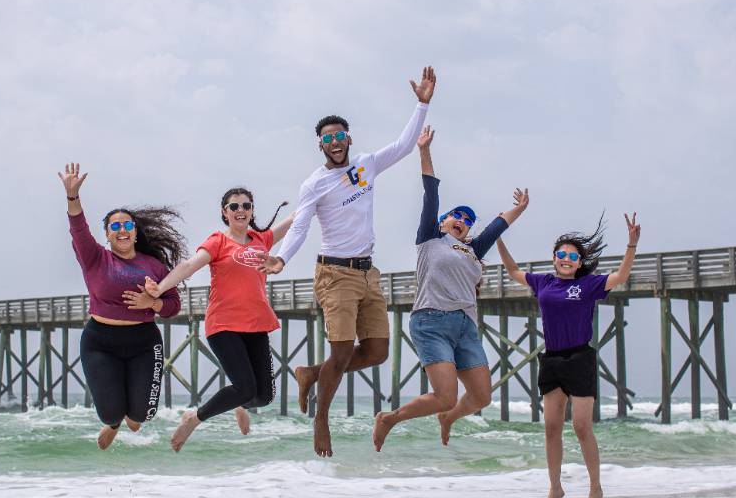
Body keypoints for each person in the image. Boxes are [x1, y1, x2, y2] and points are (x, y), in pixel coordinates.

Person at [259, 66, 436, 457]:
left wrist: (422, 104)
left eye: (340, 136)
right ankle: (321, 421)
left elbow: (405, 146)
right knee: (340, 356)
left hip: (368, 272)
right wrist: (282, 258)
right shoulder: (314, 184)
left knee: (377, 352)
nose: (335, 142)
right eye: (327, 139)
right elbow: (302, 226)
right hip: (334, 274)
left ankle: (309, 374)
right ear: (320, 145)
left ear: (348, 138)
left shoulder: (367, 164)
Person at [372, 126, 529, 451]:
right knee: (445, 395)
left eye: (468, 219)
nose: (463, 220)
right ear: (443, 222)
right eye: (456, 216)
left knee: (482, 395)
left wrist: (520, 209)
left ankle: (449, 419)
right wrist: (424, 150)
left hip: (465, 327)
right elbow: (431, 194)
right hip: (431, 322)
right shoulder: (430, 238)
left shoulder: (473, 250)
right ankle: (390, 418)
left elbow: (498, 224)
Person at [123, 188, 293, 451]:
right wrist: (161, 287)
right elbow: (190, 265)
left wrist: (327, 190)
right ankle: (194, 418)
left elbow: (297, 217)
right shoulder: (218, 242)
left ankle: (237, 403)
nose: (240, 211)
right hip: (224, 325)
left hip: (256, 324)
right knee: (246, 388)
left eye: (246, 206)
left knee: (264, 396)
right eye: (234, 207)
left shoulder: (262, 239)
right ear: (225, 212)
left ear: (252, 211)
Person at [495, 213, 641, 498]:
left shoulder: (589, 285)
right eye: (561, 254)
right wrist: (497, 238)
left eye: (572, 256)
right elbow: (512, 271)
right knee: (551, 427)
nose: (566, 258)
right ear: (554, 258)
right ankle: (555, 488)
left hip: (579, 357)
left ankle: (595, 488)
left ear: (578, 261)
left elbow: (621, 276)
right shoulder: (543, 282)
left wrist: (631, 245)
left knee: (581, 426)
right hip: (552, 359)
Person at [59, 163, 183, 450]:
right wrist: (72, 196)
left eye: (128, 225)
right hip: (100, 341)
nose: (122, 230)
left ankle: (131, 415)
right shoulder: (95, 258)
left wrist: (152, 302)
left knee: (142, 415)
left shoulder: (154, 265)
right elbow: (78, 228)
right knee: (112, 412)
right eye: (115, 226)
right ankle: (113, 423)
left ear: (136, 233)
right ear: (107, 234)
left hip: (143, 341)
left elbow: (174, 305)